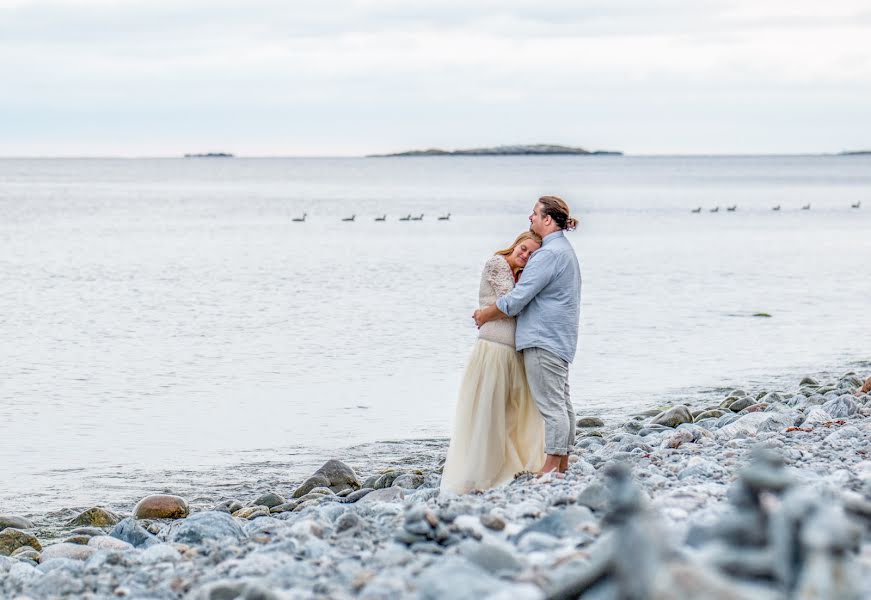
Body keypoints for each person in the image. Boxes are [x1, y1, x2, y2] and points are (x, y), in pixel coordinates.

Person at [474, 195, 581, 475]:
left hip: (543, 338)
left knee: (551, 405)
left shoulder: (548, 255)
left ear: (547, 219)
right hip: (559, 338)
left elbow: (517, 299)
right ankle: (563, 465)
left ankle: (550, 467)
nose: (530, 218)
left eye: (534, 214)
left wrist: (485, 314)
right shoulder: (563, 251)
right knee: (561, 401)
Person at [440, 232, 546, 494]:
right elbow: (511, 302)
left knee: (511, 412)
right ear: (515, 244)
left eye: (531, 254)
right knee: (490, 412)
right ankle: (482, 472)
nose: (524, 255)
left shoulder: (520, 274)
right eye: (523, 248)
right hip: (494, 349)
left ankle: (511, 465)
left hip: (512, 352)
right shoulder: (497, 264)